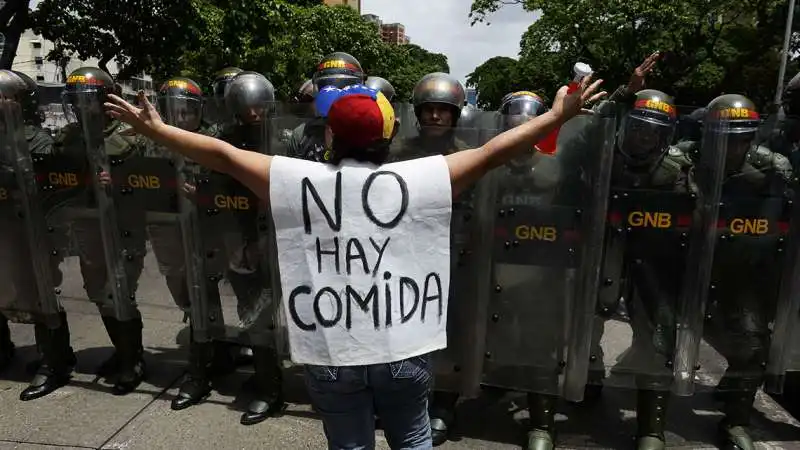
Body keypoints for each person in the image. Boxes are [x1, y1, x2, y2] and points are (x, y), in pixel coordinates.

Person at [104, 75, 604, 449]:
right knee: (411, 441)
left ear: (329, 139)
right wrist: (557, 116)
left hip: (331, 352)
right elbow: (497, 150)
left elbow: (222, 155)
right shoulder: (421, 178)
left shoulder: (294, 178)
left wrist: (160, 130)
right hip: (403, 350)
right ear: (388, 137)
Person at [33, 66, 148, 399]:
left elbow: (152, 181)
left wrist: (121, 181)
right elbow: (55, 179)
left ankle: (133, 360)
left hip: (124, 226)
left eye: (89, 100)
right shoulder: (68, 137)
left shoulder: (131, 134)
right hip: (87, 223)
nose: (83, 108)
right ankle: (123, 350)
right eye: (77, 101)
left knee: (120, 289)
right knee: (98, 289)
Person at [0, 69, 68, 377]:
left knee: (39, 292)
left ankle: (54, 360)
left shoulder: (36, 140)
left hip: (29, 230)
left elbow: (51, 186)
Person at [286, 52, 365, 162]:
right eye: (328, 87)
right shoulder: (303, 136)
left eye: (345, 87)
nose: (336, 95)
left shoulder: (370, 132)